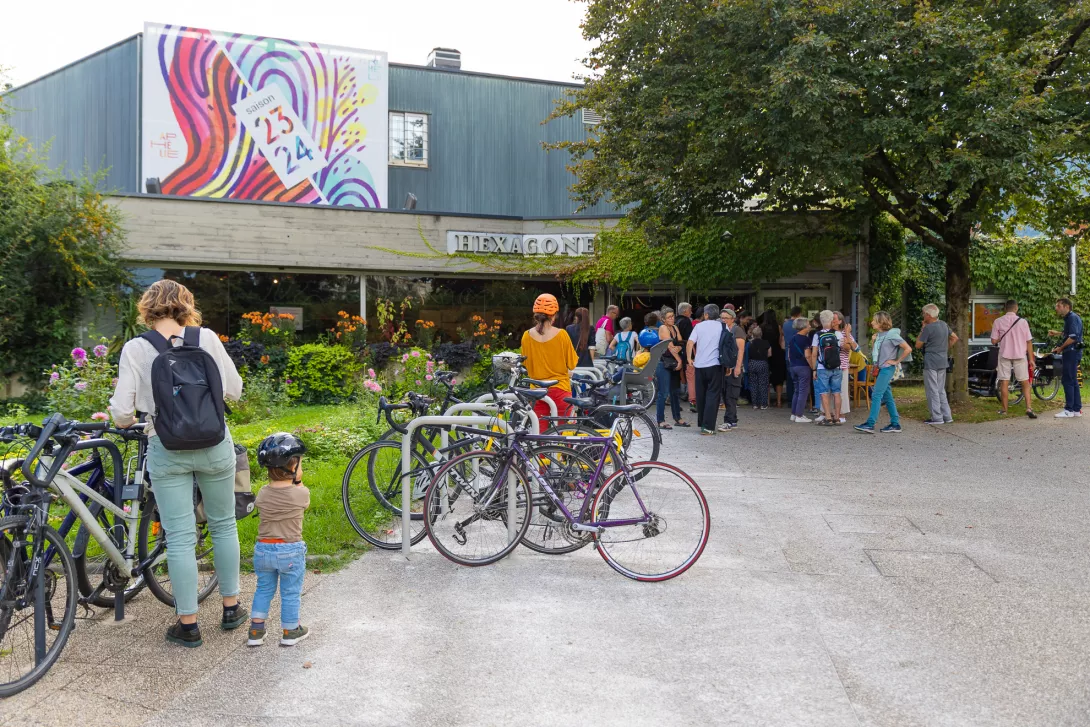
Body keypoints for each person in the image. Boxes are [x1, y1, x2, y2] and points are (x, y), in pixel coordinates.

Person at [108, 279, 244, 647]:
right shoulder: (207, 339)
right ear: (186, 305)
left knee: (180, 538)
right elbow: (235, 390)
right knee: (223, 523)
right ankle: (231, 608)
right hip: (215, 443)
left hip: (166, 446)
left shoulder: (137, 348)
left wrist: (132, 419)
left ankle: (188, 625)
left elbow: (122, 413)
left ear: (147, 307)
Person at [248, 433, 311, 647]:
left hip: (263, 550)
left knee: (263, 589)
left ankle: (256, 631)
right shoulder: (301, 494)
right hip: (290, 551)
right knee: (290, 592)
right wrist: (298, 481)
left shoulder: (263, 493)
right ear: (292, 468)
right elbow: (304, 501)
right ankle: (290, 630)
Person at [520, 294, 578, 432]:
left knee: (540, 435)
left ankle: (542, 454)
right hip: (560, 389)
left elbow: (526, 365)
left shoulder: (526, 336)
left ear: (535, 315)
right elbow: (572, 364)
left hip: (537, 391)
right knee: (566, 435)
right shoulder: (562, 334)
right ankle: (565, 454)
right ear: (554, 316)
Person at [855, 311, 912, 434]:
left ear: (881, 322)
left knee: (876, 394)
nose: (871, 322)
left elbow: (908, 349)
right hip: (881, 369)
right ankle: (895, 424)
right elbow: (877, 353)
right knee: (888, 396)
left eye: (874, 320)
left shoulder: (892, 335)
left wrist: (896, 361)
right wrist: (873, 341)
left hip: (887, 369)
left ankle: (870, 424)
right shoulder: (878, 335)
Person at [989, 299, 1036, 418]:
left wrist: (1002, 338)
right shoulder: (1023, 322)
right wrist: (1031, 359)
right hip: (1020, 355)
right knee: (1025, 381)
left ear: (1005, 309)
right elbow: (1029, 342)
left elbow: (994, 341)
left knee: (1004, 381)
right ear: (1016, 308)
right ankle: (1029, 408)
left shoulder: (998, 321)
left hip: (1004, 355)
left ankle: (1004, 410)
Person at [915, 303, 959, 424]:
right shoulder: (944, 325)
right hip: (942, 361)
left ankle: (937, 417)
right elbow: (955, 338)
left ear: (928, 315)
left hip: (931, 362)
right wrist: (945, 348)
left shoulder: (928, 328)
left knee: (932, 390)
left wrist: (922, 329)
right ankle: (947, 416)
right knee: (940, 389)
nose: (923, 315)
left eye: (924, 313)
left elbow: (918, 344)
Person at [686, 303, 725, 435]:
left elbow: (690, 342)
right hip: (715, 364)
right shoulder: (722, 326)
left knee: (701, 394)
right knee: (713, 395)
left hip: (699, 364)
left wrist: (689, 358)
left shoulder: (698, 326)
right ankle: (708, 427)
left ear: (706, 315)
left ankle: (702, 422)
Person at [1049, 297, 1084, 418]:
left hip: (1071, 352)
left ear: (1066, 306)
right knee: (1073, 380)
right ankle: (1076, 409)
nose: (1056, 308)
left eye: (1059, 306)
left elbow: (1073, 337)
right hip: (1074, 352)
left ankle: (1068, 410)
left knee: (1067, 380)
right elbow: (1070, 333)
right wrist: (1057, 333)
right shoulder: (1071, 318)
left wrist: (1060, 348)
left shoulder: (1072, 318)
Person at [808, 310, 844, 426]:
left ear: (820, 321)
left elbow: (814, 354)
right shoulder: (837, 334)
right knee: (837, 393)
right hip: (837, 367)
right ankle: (837, 418)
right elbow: (841, 348)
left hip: (822, 367)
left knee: (824, 393)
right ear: (832, 320)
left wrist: (814, 369)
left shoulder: (817, 335)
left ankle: (828, 417)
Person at [655, 307, 687, 428]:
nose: (672, 318)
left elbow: (679, 343)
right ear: (663, 319)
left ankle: (677, 418)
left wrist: (678, 347)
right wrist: (679, 360)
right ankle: (660, 420)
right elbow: (670, 346)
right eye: (669, 317)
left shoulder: (675, 327)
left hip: (673, 362)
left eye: (673, 316)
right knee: (663, 392)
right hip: (664, 362)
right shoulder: (663, 328)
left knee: (675, 391)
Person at [718, 308, 746, 432]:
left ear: (732, 319)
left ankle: (729, 421)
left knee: (731, 395)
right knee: (726, 394)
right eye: (722, 318)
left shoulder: (737, 330)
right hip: (725, 367)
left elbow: (741, 349)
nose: (723, 320)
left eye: (726, 318)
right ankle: (732, 420)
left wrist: (738, 367)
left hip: (734, 367)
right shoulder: (723, 330)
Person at [833, 312, 859, 422]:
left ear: (840, 321)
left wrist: (847, 335)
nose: (831, 321)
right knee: (828, 391)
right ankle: (829, 413)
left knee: (842, 390)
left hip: (842, 365)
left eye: (834, 318)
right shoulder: (826, 331)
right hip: (827, 366)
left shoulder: (844, 332)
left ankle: (842, 414)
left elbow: (855, 348)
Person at [787, 318, 812, 423]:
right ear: (804, 326)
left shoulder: (792, 338)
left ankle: (793, 414)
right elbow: (808, 355)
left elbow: (789, 355)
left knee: (796, 390)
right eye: (809, 324)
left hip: (793, 366)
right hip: (803, 367)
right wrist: (813, 367)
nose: (810, 326)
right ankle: (799, 415)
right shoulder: (806, 339)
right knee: (803, 391)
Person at [760, 310, 786, 407]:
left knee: (766, 377)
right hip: (777, 353)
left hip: (765, 353)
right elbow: (780, 341)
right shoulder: (778, 327)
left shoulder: (761, 327)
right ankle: (779, 401)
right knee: (778, 378)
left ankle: (767, 400)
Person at [677, 302, 697, 410]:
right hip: (687, 351)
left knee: (677, 376)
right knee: (691, 375)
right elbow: (691, 339)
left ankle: (676, 401)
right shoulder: (686, 322)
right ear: (685, 311)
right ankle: (693, 401)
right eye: (690, 310)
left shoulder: (675, 321)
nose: (691, 312)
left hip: (677, 352)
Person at [782, 306, 803, 405]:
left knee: (790, 378)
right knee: (799, 378)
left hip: (787, 353)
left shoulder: (785, 325)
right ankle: (798, 400)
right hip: (798, 354)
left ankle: (790, 399)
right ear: (799, 314)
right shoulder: (798, 325)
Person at [747, 325, 771, 409]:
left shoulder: (749, 343)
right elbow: (770, 354)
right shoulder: (766, 342)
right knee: (763, 383)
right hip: (762, 363)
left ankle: (754, 404)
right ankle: (763, 404)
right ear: (761, 334)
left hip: (752, 363)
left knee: (753, 384)